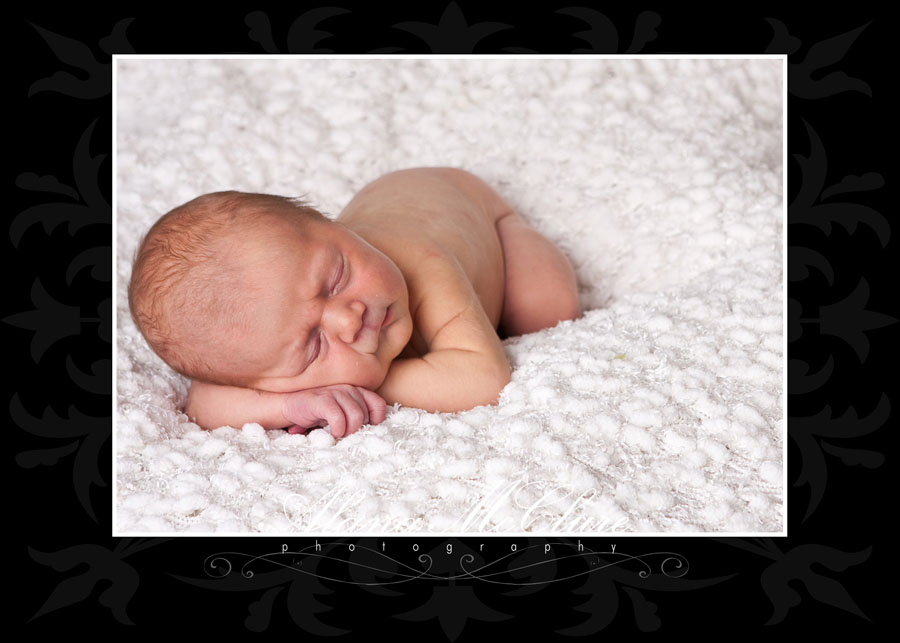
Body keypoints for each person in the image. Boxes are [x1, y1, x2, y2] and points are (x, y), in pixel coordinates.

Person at [128, 167, 581, 437]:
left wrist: (351, 389)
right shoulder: (261, 339)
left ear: (334, 226)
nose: (350, 315)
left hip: (467, 206)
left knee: (545, 309)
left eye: (336, 277)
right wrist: (288, 406)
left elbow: (483, 379)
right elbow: (204, 403)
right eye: (313, 346)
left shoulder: (424, 265)